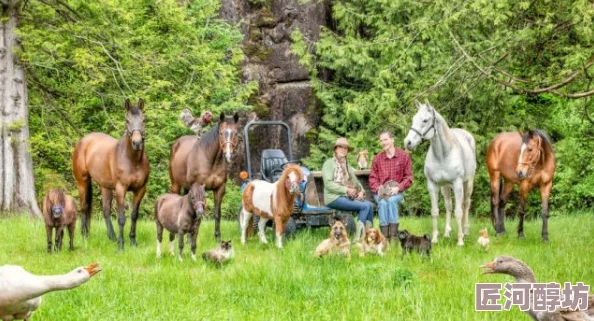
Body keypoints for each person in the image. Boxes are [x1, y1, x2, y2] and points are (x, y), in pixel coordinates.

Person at [322, 137, 375, 242]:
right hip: (333, 197)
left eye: (345, 148)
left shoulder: (346, 165)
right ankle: (358, 238)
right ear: (336, 149)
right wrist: (346, 190)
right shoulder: (329, 163)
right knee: (364, 206)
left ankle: (368, 236)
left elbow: (356, 182)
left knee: (370, 205)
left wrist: (361, 191)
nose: (343, 150)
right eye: (340, 147)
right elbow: (328, 184)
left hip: (345, 196)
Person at [369, 130, 413, 242]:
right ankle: (384, 238)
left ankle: (393, 237)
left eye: (386, 139)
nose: (383, 142)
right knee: (383, 203)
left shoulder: (404, 156)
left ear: (392, 140)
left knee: (392, 201)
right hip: (381, 192)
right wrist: (379, 188)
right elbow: (372, 178)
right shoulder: (377, 158)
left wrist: (398, 188)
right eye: (381, 140)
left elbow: (409, 178)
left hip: (397, 192)